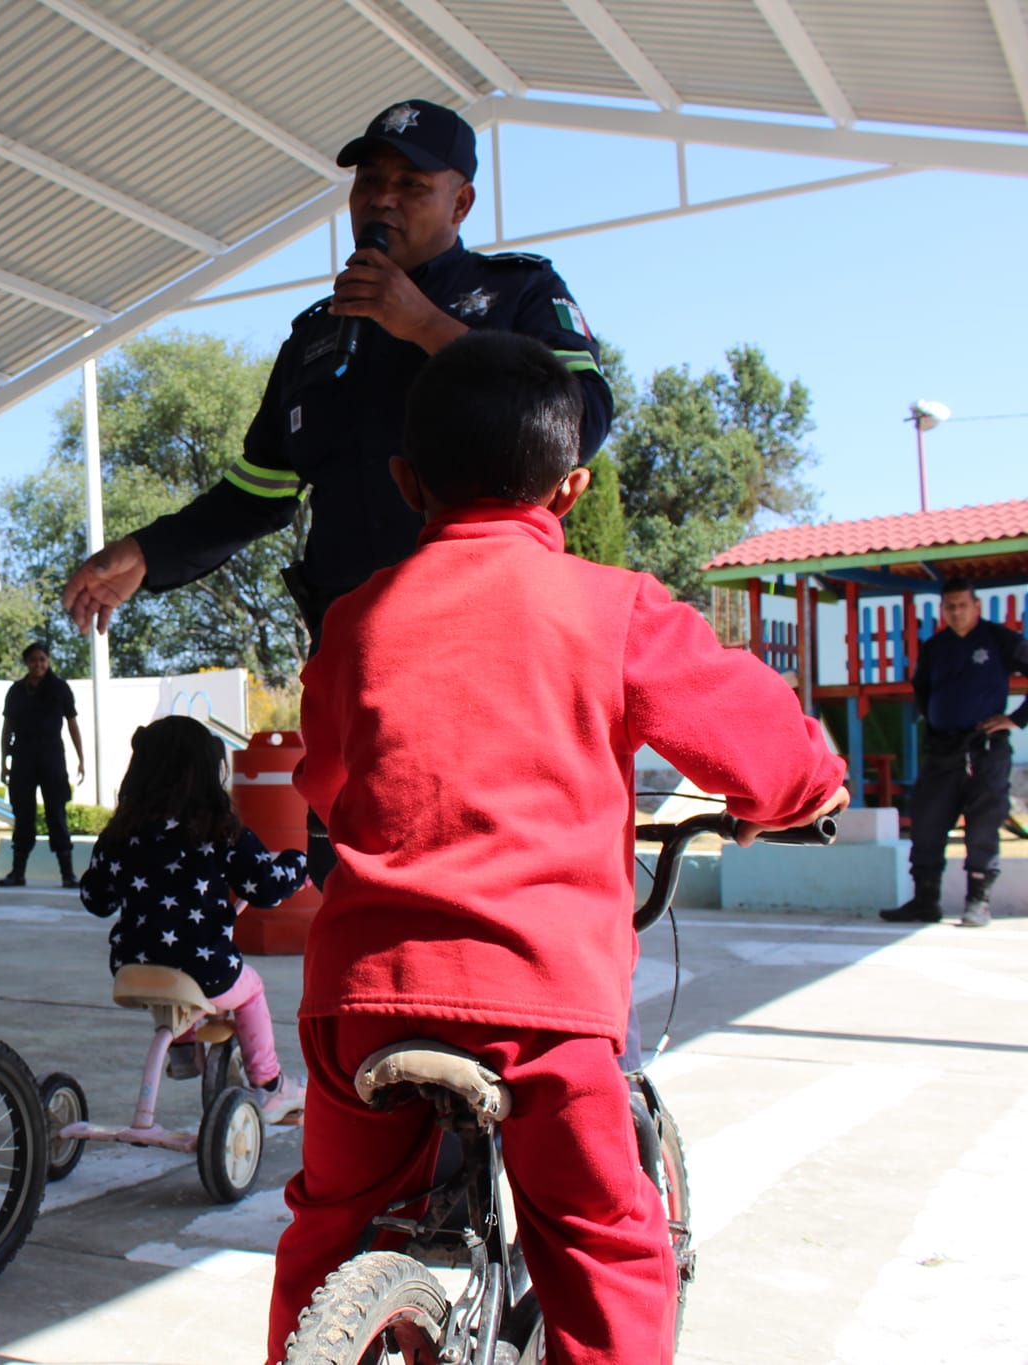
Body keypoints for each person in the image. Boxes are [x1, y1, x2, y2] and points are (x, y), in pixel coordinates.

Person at [271, 333, 847, 1365]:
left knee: (326, 1230)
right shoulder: (613, 609)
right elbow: (757, 738)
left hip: (356, 1000)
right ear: (571, 488)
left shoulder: (354, 620)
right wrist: (803, 792)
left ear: (405, 483)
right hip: (540, 1012)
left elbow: (326, 776)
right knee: (600, 1248)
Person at [62, 99, 612, 643]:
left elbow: (580, 419)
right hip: (351, 654)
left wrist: (424, 325)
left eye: (412, 184)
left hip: (486, 635)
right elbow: (257, 493)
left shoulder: (521, 293)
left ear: (461, 203)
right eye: (368, 181)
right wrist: (145, 552)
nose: (382, 200)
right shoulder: (314, 337)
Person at [76, 716, 309, 1124]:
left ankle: (184, 1050)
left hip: (132, 968)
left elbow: (96, 899)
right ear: (206, 771)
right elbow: (266, 889)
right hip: (205, 968)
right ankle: (270, 1086)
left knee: (174, 965)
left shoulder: (120, 832)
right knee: (249, 988)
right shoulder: (220, 829)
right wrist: (298, 865)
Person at [880, 579, 1027, 928]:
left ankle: (978, 902)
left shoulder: (999, 640)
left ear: (976, 606)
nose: (956, 612)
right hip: (942, 750)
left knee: (983, 826)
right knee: (927, 823)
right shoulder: (936, 646)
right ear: (943, 610)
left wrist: (1016, 720)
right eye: (950, 607)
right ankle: (924, 901)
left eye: (962, 605)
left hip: (985, 749)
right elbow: (922, 690)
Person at [0, 642, 86, 888]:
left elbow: (72, 724)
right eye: (34, 660)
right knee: (23, 814)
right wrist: (4, 761)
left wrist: (81, 758)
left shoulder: (59, 688)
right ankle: (18, 872)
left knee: (56, 813)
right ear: (27, 663)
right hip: (23, 757)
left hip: (51, 757)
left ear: (48, 661)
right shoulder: (16, 691)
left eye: (43, 660)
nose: (39, 664)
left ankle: (67, 874)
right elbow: (7, 728)